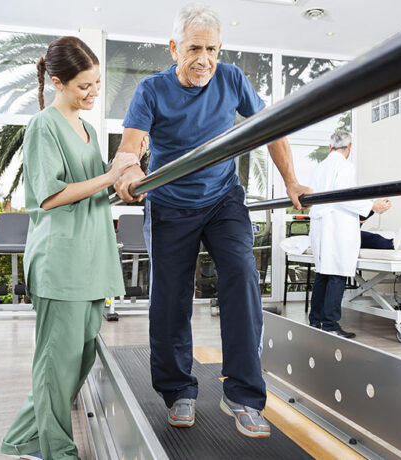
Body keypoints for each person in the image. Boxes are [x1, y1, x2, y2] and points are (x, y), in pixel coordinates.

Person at [113, 3, 312, 438]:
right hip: (169, 203)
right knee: (170, 299)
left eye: (212, 49)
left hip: (223, 199)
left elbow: (270, 128)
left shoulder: (232, 79)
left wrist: (293, 182)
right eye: (194, 49)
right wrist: (130, 171)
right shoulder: (152, 90)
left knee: (241, 276)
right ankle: (179, 390)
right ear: (173, 49)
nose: (204, 59)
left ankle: (242, 394)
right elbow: (130, 148)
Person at [0, 36, 139, 460]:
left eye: (97, 83)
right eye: (84, 86)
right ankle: (53, 449)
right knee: (55, 363)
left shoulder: (88, 129)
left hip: (91, 257)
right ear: (58, 82)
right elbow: (49, 196)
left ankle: (23, 439)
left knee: (77, 362)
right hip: (61, 261)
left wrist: (126, 181)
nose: (94, 92)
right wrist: (109, 172)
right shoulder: (43, 125)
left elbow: (99, 190)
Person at [308, 130, 390, 338]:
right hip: (336, 226)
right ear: (350, 147)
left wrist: (364, 212)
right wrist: (373, 205)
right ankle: (331, 325)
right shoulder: (345, 166)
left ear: (330, 147)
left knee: (323, 273)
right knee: (337, 273)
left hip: (322, 223)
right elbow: (345, 196)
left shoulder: (319, 167)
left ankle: (315, 321)